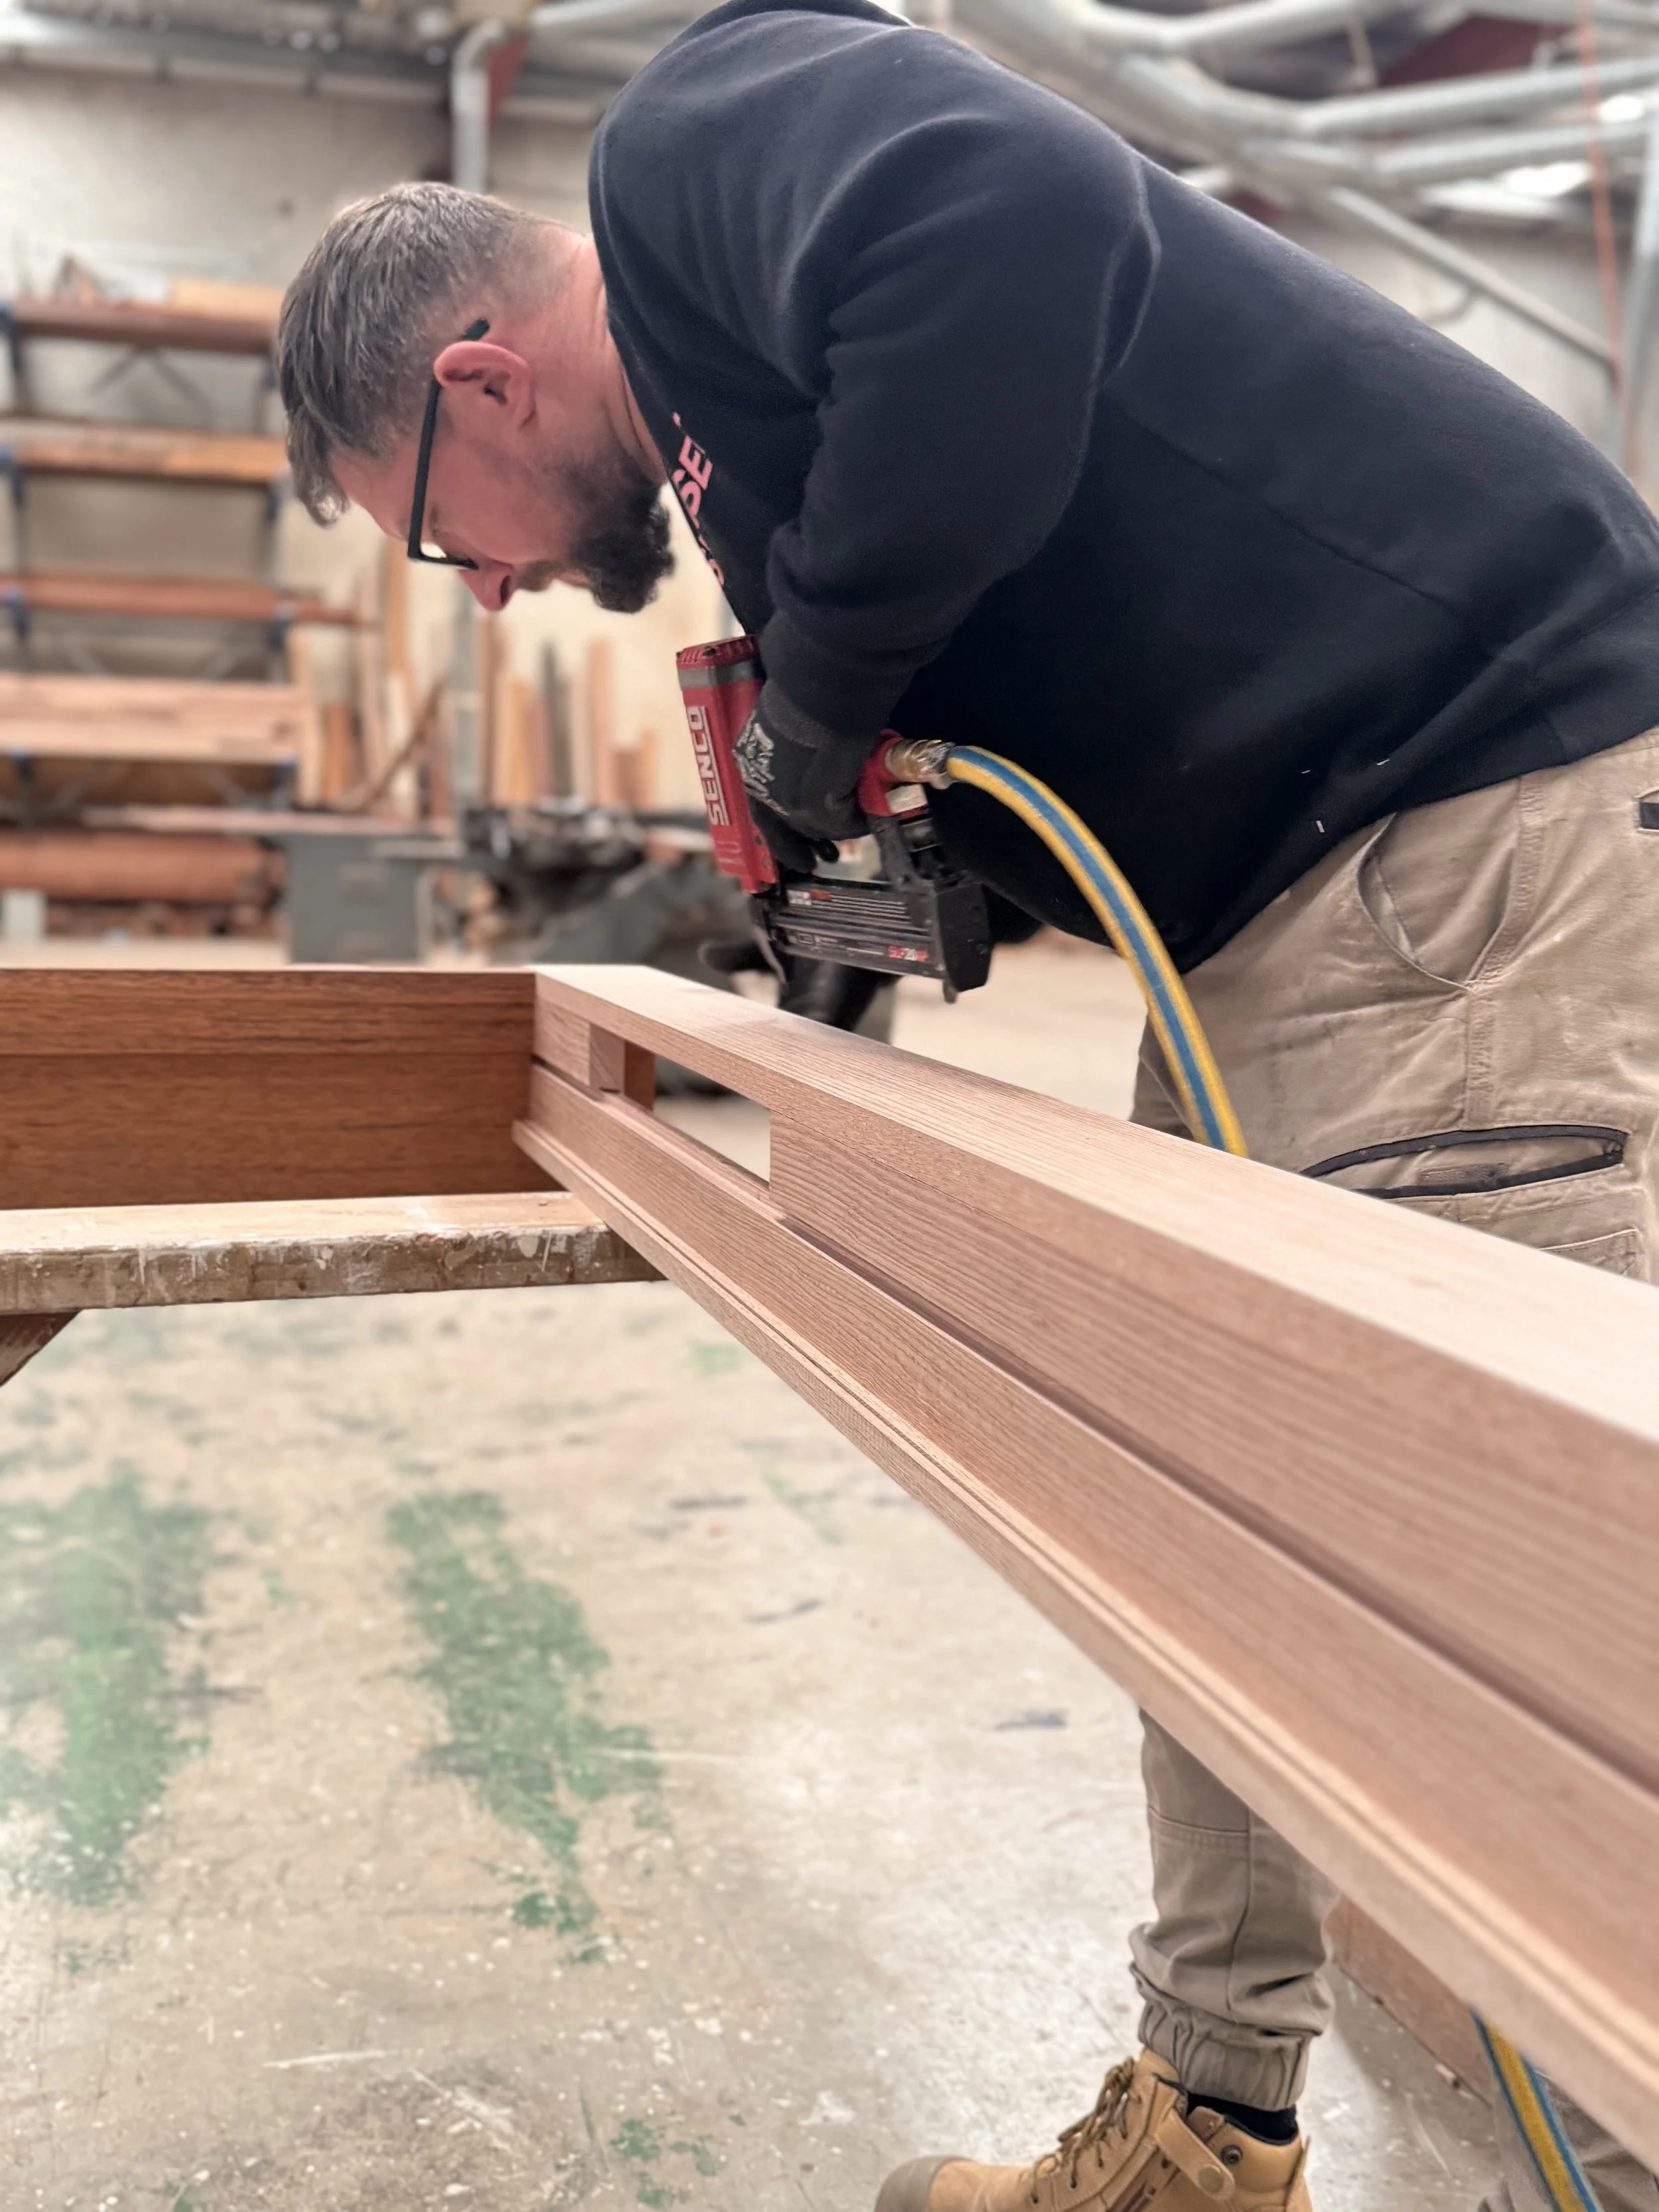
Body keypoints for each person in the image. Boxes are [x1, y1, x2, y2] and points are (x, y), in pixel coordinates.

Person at [275, 5, 1659, 2207]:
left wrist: (823, 699)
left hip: (1456, 822)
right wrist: (872, 901)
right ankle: (1207, 2128)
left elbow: (1009, 219)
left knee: (1513, 1599)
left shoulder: (695, 142)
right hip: (1274, 910)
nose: (503, 587)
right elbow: (999, 547)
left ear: (477, 384)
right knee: (1197, 1503)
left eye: (451, 543)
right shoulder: (751, 441)